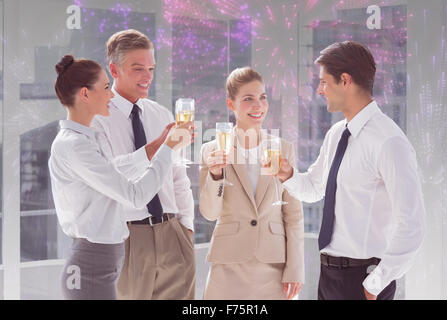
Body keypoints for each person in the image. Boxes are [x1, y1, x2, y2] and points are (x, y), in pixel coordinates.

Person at [277, 41, 426, 300]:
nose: (319, 90)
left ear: (345, 80)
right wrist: (288, 175)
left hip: (362, 280)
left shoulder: (388, 142)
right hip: (328, 276)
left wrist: (375, 284)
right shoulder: (337, 134)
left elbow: (412, 224)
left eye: (324, 82)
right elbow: (314, 188)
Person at [49, 55, 194, 299]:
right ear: (85, 94)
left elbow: (116, 171)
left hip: (101, 262)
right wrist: (168, 148)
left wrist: (158, 145)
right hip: (91, 267)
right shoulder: (75, 146)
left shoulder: (87, 140)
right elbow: (135, 195)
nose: (111, 95)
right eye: (106, 88)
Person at [90, 29, 196, 300]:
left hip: (173, 233)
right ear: (114, 69)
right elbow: (110, 178)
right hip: (128, 238)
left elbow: (178, 177)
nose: (147, 76)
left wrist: (187, 229)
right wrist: (155, 148)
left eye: (150, 68)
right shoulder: (97, 119)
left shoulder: (161, 114)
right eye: (138, 68)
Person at [199, 67, 304, 300]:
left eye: (262, 97)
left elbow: (293, 214)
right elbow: (209, 212)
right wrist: (215, 175)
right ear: (231, 104)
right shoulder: (212, 150)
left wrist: (295, 269)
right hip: (228, 266)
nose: (258, 106)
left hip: (274, 266)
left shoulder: (283, 148)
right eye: (248, 99)